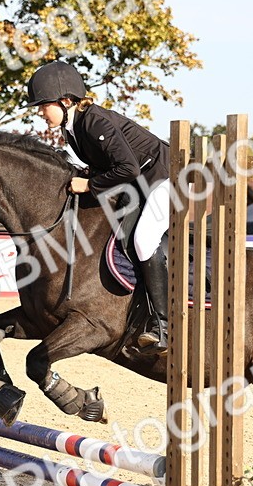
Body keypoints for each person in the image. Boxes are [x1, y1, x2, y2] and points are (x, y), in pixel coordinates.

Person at [26, 59, 171, 354]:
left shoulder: (94, 122)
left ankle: (162, 325)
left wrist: (89, 185)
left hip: (165, 177)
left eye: (44, 105)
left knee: (144, 241)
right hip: (138, 184)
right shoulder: (72, 129)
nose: (41, 111)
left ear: (66, 100)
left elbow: (127, 168)